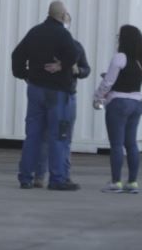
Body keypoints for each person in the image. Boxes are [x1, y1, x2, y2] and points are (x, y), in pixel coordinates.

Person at [12, 1, 79, 191]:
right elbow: (73, 54)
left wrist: (24, 74)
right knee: (58, 135)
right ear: (62, 15)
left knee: (32, 135)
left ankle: (26, 178)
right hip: (57, 92)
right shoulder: (63, 34)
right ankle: (57, 179)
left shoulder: (35, 32)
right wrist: (60, 66)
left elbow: (16, 55)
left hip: (35, 90)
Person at [34, 13, 91, 188]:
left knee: (55, 137)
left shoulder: (76, 47)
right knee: (57, 137)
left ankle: (56, 174)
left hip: (62, 93)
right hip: (60, 96)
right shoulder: (50, 45)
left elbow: (86, 69)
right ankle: (49, 176)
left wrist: (77, 71)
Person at [93, 24, 142, 195]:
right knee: (131, 143)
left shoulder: (119, 58)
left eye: (119, 36)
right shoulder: (141, 61)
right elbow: (131, 79)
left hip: (119, 102)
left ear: (124, 40)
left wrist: (97, 97)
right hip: (137, 102)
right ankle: (132, 182)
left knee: (116, 144)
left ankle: (115, 182)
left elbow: (108, 82)